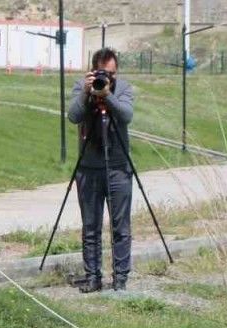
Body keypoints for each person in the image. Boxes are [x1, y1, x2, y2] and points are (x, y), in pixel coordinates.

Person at [67, 47, 136, 293]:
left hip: (118, 168)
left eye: (112, 74)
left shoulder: (124, 88)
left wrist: (108, 95)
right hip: (88, 168)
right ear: (92, 70)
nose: (107, 78)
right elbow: (73, 116)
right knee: (91, 226)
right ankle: (93, 277)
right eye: (103, 73)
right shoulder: (82, 87)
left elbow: (127, 115)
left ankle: (120, 279)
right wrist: (87, 93)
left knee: (121, 227)